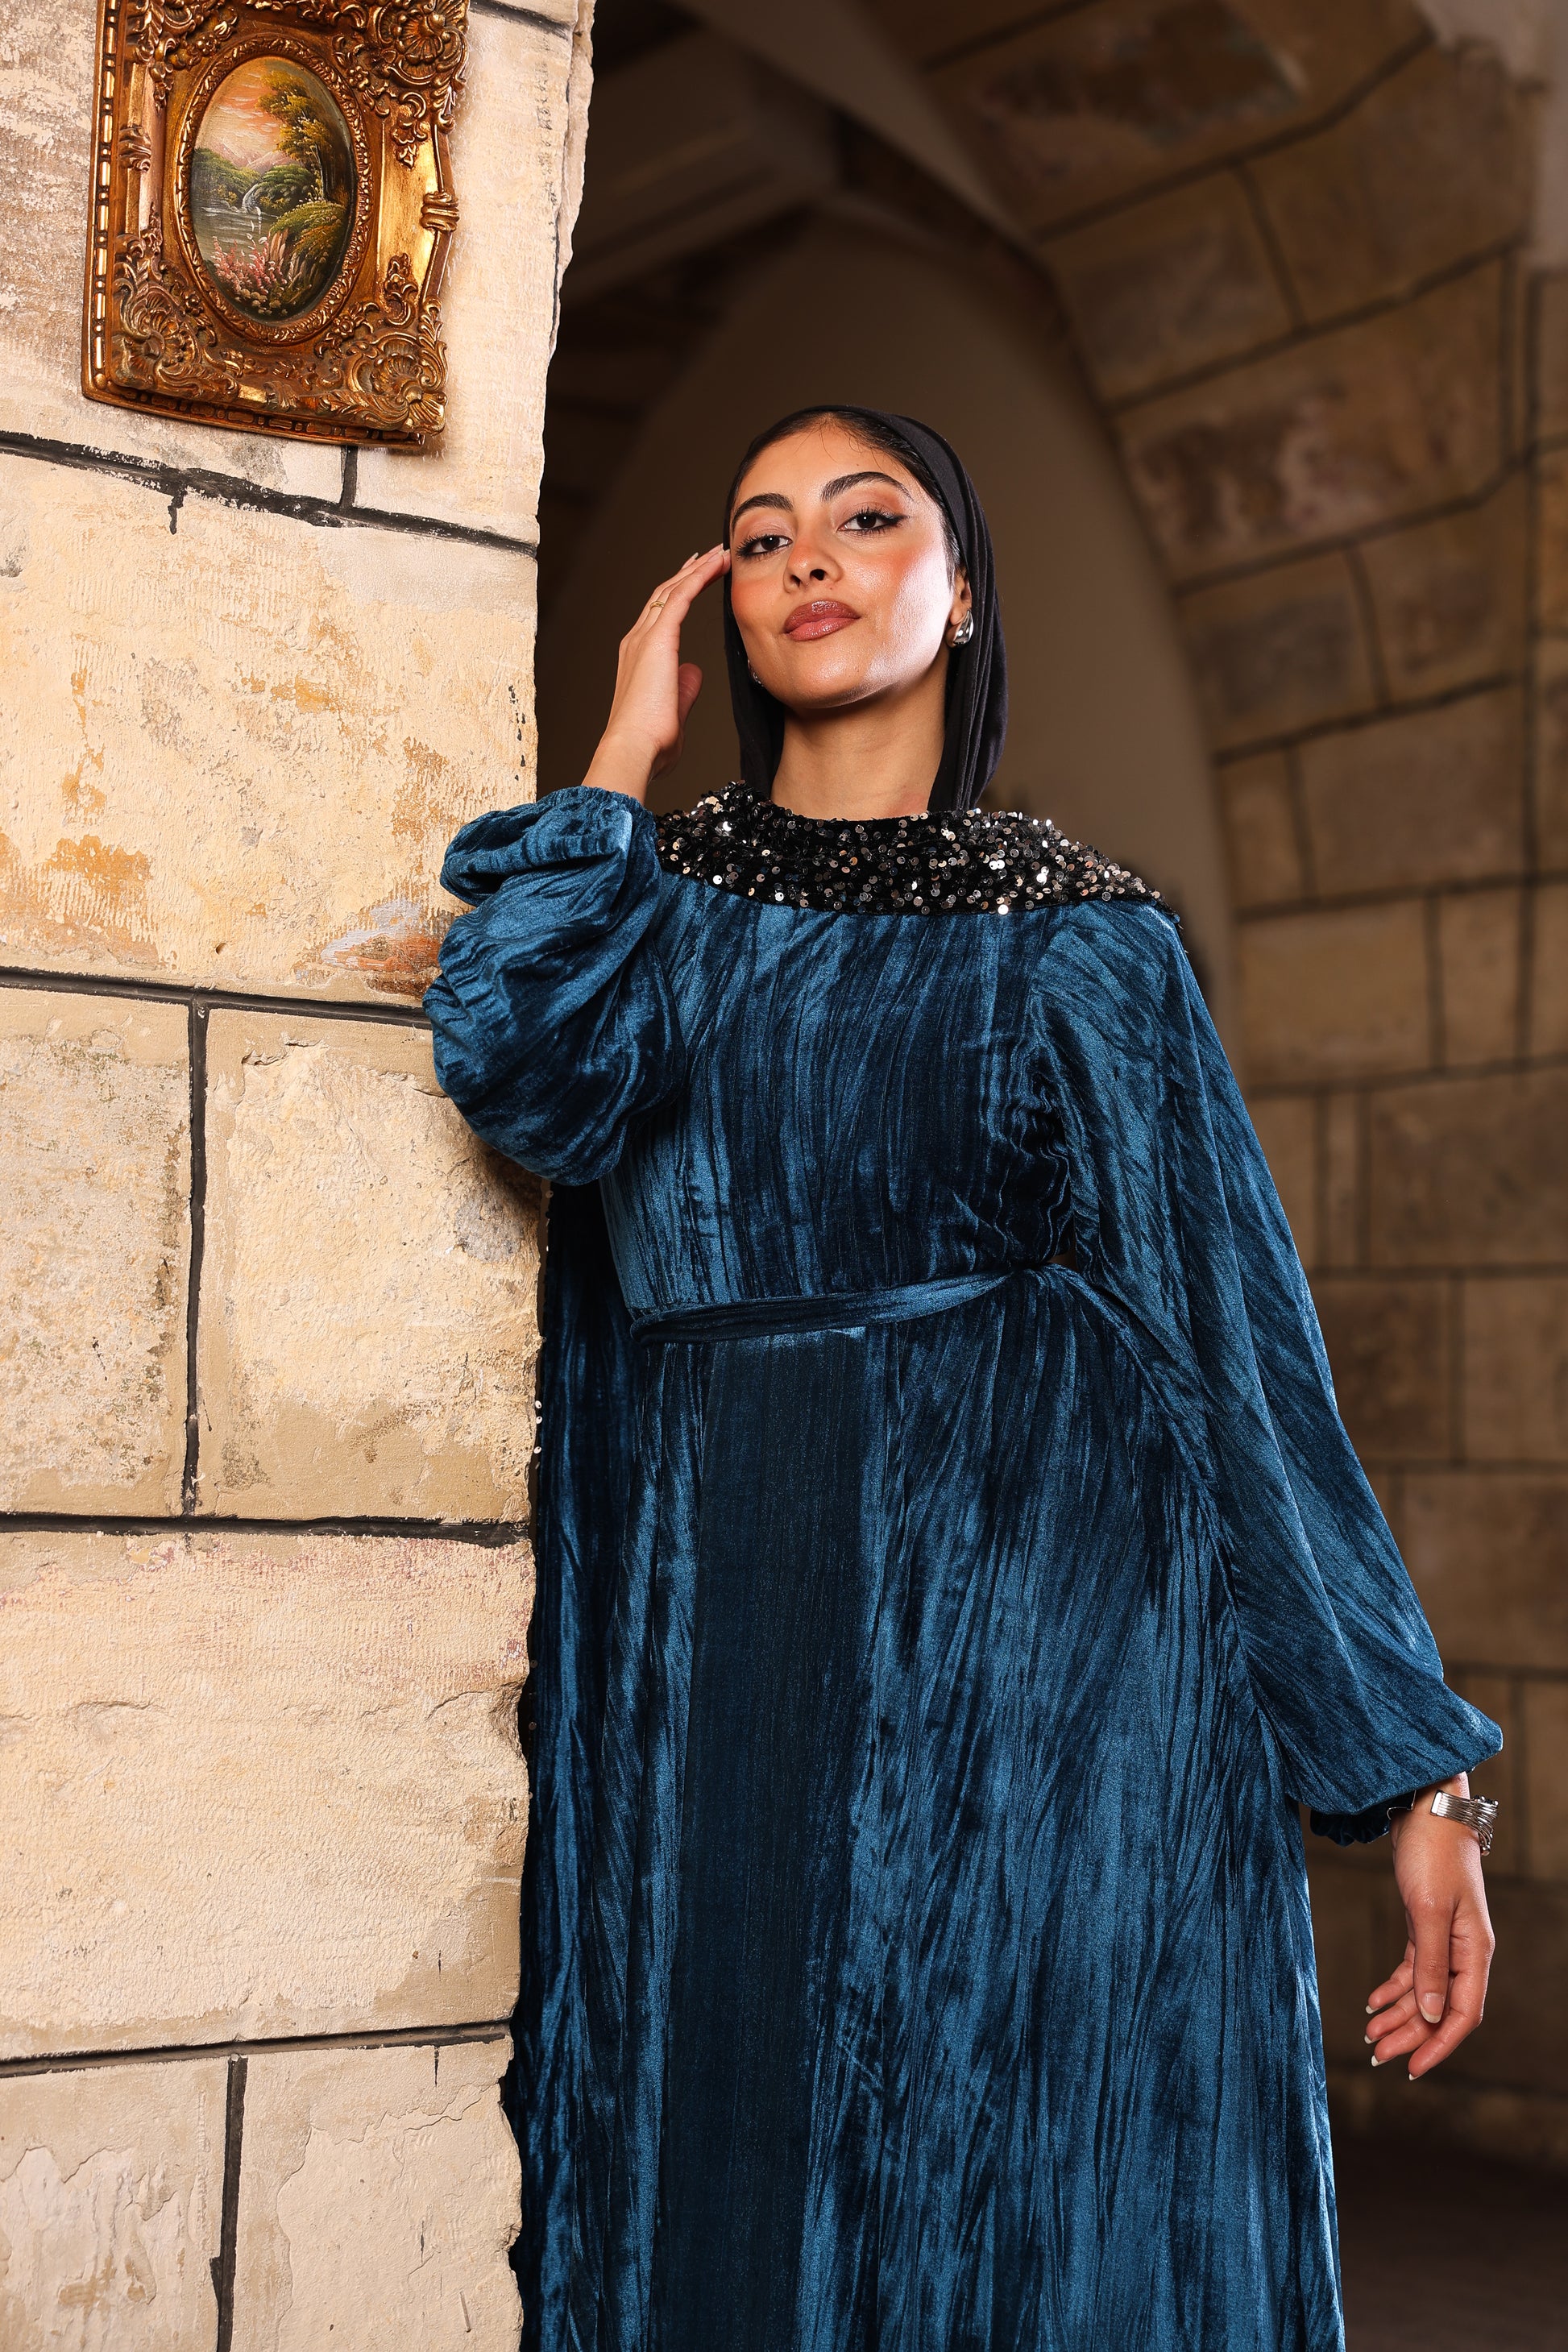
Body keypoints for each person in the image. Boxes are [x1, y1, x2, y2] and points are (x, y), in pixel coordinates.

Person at [425, 408, 1499, 2351]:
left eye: (864, 517)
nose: (807, 559)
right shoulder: (652, 911)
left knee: (1009, 2192)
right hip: (718, 1635)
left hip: (1044, 1695)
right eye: (762, 534)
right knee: (722, 2176)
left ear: (963, 588)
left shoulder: (1084, 942)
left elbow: (1236, 1347)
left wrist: (1417, 1772)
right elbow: (522, 1069)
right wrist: (619, 754)